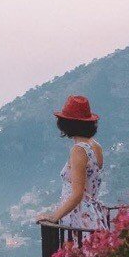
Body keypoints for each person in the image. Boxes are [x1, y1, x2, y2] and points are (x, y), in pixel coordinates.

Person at [36, 95, 108, 229]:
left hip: (79, 218)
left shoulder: (79, 150)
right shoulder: (96, 146)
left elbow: (77, 194)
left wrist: (54, 217)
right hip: (93, 215)